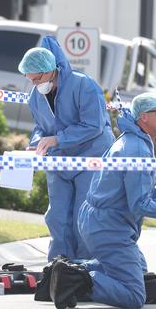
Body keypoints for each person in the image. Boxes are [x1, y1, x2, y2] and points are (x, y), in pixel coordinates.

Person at [48, 92, 156, 309]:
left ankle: (68, 269)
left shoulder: (134, 139)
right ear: (144, 117)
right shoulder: (136, 149)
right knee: (134, 295)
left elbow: (124, 184)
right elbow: (138, 204)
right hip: (108, 227)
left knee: (141, 269)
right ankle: (76, 279)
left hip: (100, 221)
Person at [18, 36, 115, 261]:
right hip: (59, 161)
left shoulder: (84, 85)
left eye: (36, 78)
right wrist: (35, 144)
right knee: (57, 216)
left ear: (51, 70)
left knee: (84, 214)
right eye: (30, 79)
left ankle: (86, 268)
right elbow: (40, 127)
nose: (34, 83)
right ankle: (58, 268)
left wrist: (57, 139)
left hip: (90, 158)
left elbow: (94, 125)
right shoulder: (36, 95)